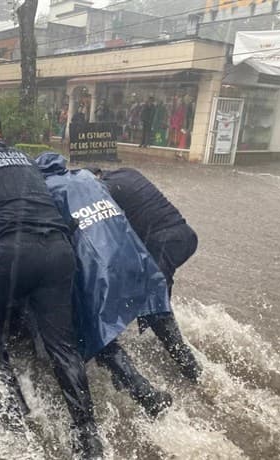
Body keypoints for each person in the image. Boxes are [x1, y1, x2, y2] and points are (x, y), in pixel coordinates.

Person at [0, 113, 104, 459]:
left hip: (12, 252)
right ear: (0, 134)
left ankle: (13, 411)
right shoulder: (27, 160)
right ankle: (88, 439)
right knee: (62, 345)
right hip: (60, 252)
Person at [35, 152, 173, 418]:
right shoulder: (86, 177)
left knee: (95, 332)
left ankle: (142, 392)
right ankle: (186, 368)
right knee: (112, 324)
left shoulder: (47, 190)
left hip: (95, 267)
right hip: (130, 256)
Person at [90, 166, 202, 382]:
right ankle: (163, 339)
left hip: (165, 240)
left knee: (153, 307)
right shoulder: (127, 172)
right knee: (152, 293)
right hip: (184, 237)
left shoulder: (105, 188)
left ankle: (192, 371)